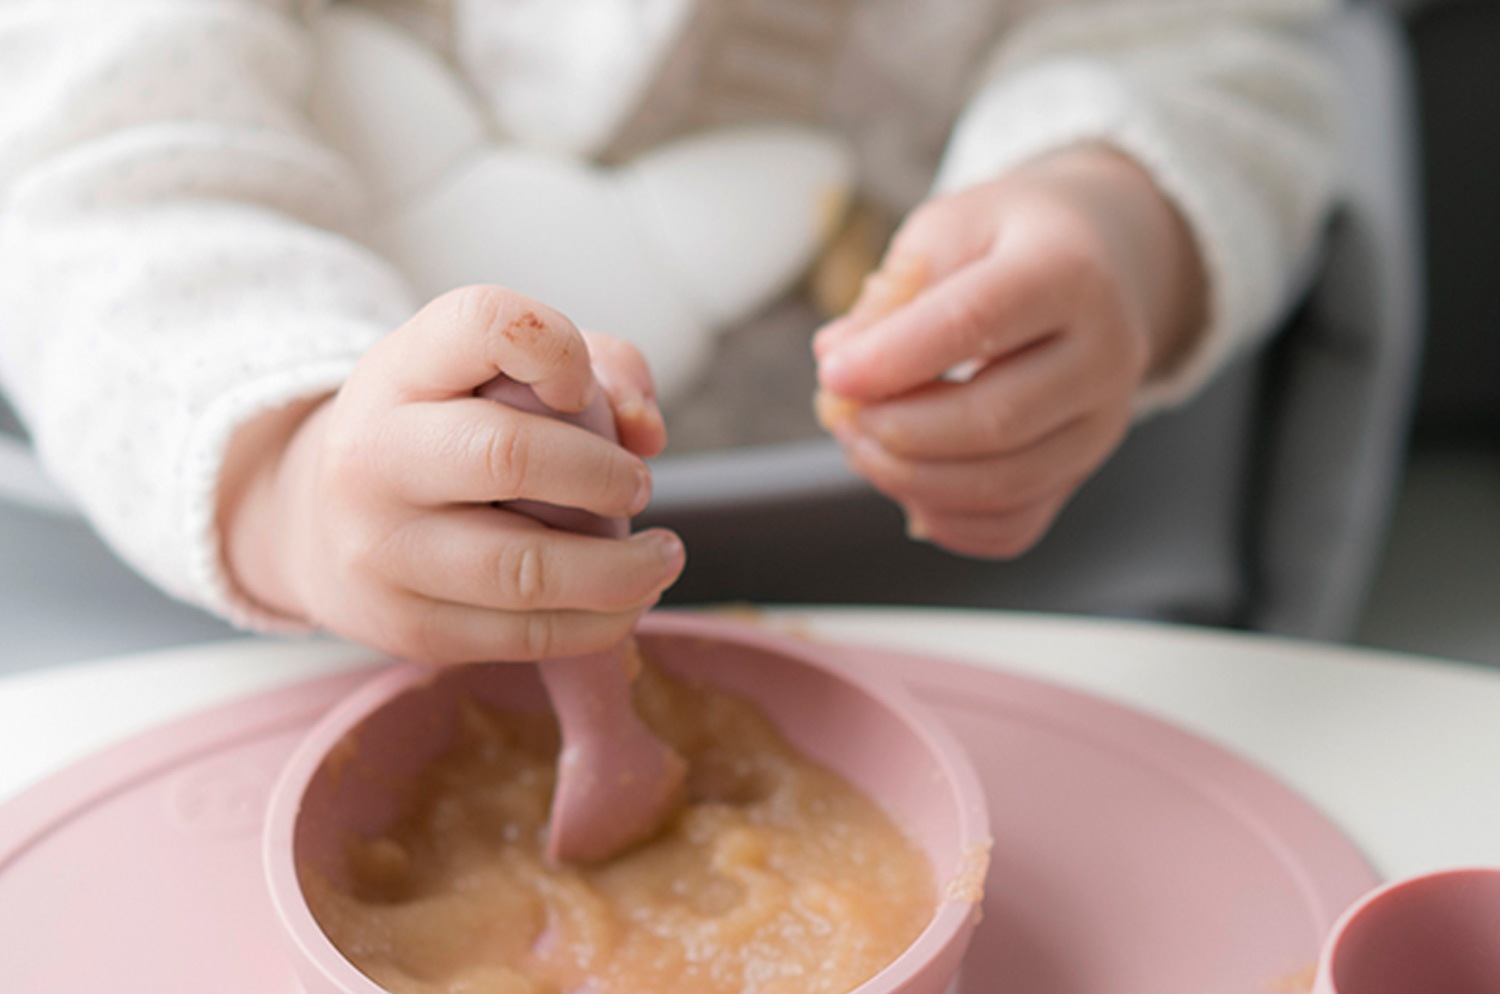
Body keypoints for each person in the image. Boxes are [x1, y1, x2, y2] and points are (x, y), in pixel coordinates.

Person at [0, 1, 1339, 664]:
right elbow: (107, 183)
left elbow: (1206, 45)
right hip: (318, 617)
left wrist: (1108, 206)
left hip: (965, 580)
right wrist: (291, 480)